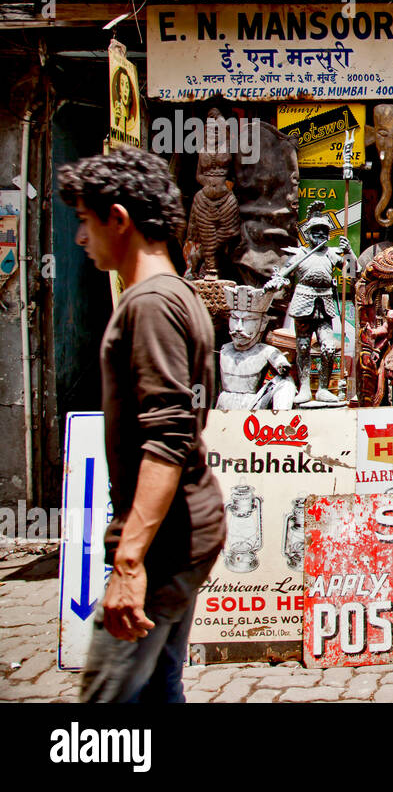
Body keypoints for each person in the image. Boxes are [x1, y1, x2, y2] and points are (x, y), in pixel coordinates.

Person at [60, 146, 225, 702]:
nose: (81, 238)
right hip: (183, 531)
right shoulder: (179, 295)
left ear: (119, 219)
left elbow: (169, 435)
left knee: (104, 710)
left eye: (85, 221)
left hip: (164, 544)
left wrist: (129, 562)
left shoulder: (151, 304)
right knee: (157, 690)